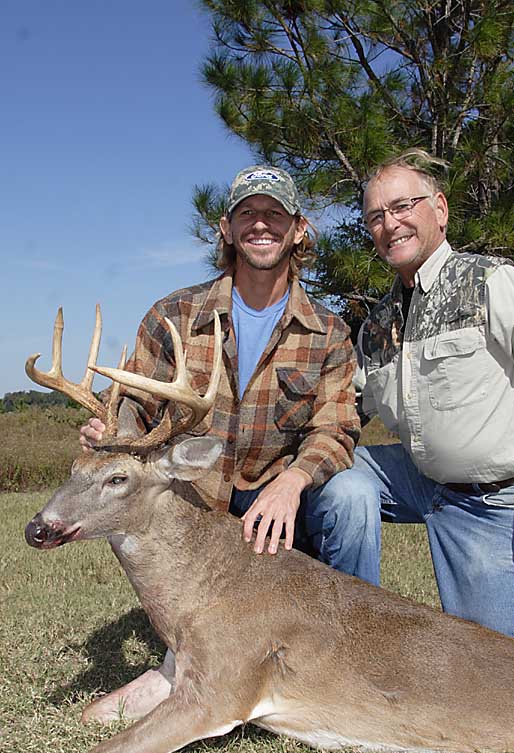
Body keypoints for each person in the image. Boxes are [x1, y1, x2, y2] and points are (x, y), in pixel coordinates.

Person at [79, 164, 361, 722]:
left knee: (352, 497)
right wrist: (108, 436)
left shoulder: (328, 331)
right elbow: (130, 406)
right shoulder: (175, 315)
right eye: (247, 214)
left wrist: (293, 480)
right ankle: (187, 654)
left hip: (280, 510)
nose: (262, 225)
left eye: (275, 214)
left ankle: (353, 651)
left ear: (298, 229)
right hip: (198, 507)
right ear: (226, 230)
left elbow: (336, 428)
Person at [312, 148, 514, 644]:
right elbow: (342, 407)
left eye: (402, 207)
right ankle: (357, 632)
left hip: (491, 498)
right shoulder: (378, 324)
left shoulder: (494, 284)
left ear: (440, 208)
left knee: (492, 659)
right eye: (375, 216)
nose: (390, 224)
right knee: (335, 474)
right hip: (417, 478)